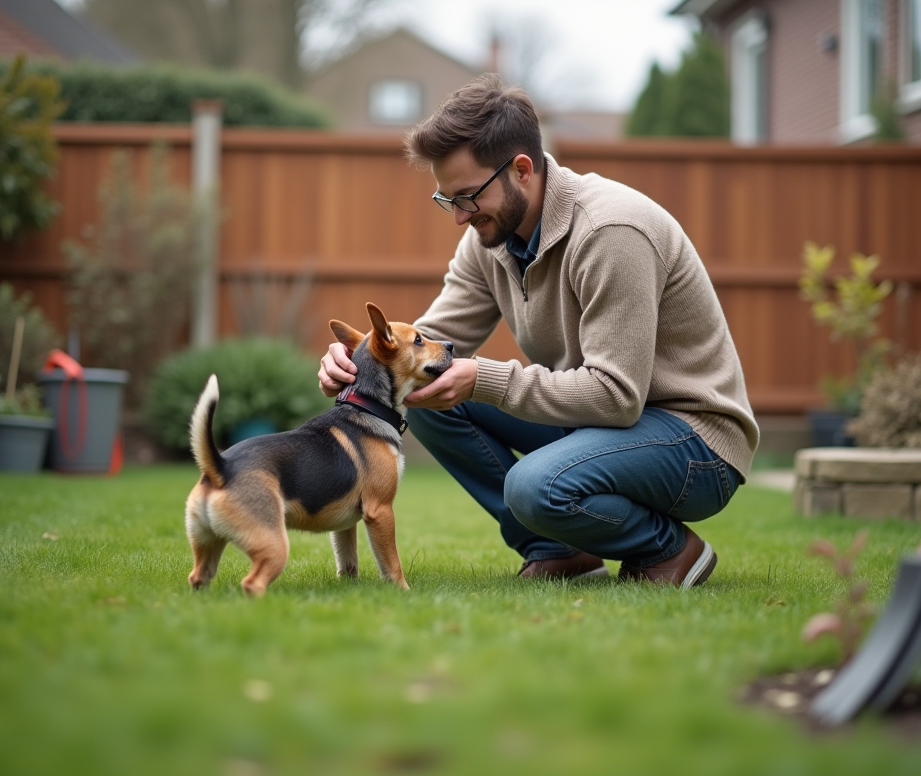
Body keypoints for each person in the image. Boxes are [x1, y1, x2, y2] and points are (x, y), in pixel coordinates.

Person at [318, 75, 758, 588]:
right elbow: (427, 342)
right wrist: (365, 364)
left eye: (467, 196)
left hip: (692, 440)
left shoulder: (610, 232)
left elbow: (617, 395)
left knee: (531, 486)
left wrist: (484, 378)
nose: (458, 217)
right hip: (607, 424)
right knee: (424, 390)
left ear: (521, 170)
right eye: (447, 201)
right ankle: (556, 549)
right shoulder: (492, 237)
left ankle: (671, 551)